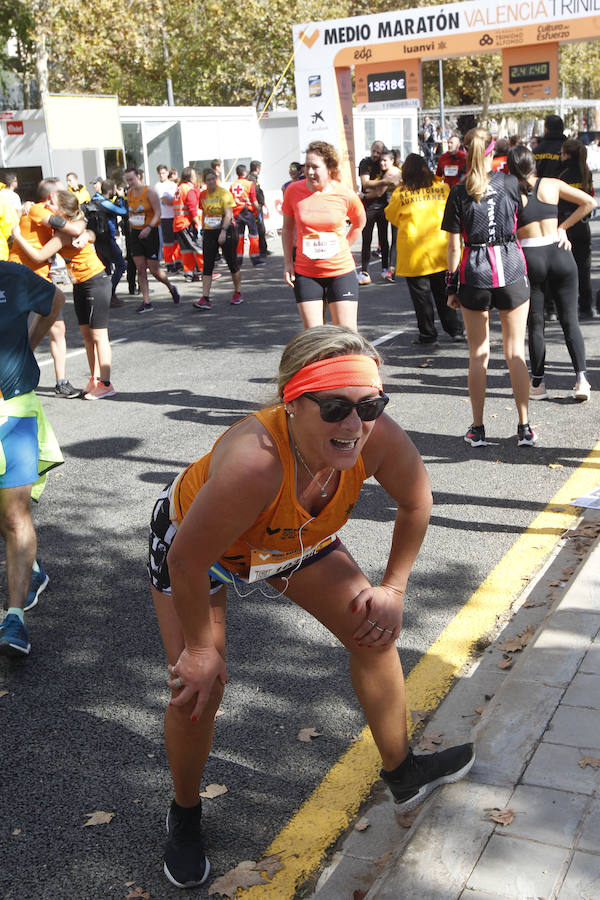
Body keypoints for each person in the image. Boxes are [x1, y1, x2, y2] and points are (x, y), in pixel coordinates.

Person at [147, 324, 475, 888]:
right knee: (199, 686)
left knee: (374, 631)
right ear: (292, 404)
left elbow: (417, 500)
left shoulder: (373, 437)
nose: (354, 425)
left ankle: (403, 772)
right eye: (334, 407)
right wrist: (201, 649)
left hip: (294, 539)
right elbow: (186, 560)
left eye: (370, 404)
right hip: (202, 551)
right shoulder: (257, 461)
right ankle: (186, 813)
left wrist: (393, 589)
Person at [442, 128, 535, 448]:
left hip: (475, 272)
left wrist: (450, 286)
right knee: (515, 352)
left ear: (465, 151)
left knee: (478, 355)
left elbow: (453, 249)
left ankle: (478, 428)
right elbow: (521, 225)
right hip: (510, 267)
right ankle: (524, 427)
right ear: (494, 150)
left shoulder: (458, 191)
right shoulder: (510, 183)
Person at [0, 259, 64, 657]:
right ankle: (32, 569)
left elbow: (55, 300)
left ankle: (14, 619)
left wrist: (30, 343)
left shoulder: (11, 276)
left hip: (14, 408)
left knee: (13, 515)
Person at [507, 144, 595, 403]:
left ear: (511, 168)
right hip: (559, 252)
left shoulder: (511, 191)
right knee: (570, 321)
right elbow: (589, 202)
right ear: (534, 164)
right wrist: (562, 227)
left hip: (530, 257)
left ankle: (538, 383)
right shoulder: (552, 184)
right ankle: (581, 379)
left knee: (536, 324)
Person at [12, 190, 117, 400]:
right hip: (79, 284)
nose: (47, 205)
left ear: (62, 211)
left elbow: (40, 255)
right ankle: (94, 379)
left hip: (96, 281)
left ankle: (105, 383)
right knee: (87, 336)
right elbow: (82, 227)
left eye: (52, 204)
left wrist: (17, 237)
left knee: (99, 335)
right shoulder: (65, 226)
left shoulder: (64, 232)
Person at [8, 177, 86, 399]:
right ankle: (15, 372)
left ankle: (61, 383)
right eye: (63, 193)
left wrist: (85, 229)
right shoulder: (38, 211)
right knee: (16, 330)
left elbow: (80, 224)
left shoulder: (43, 210)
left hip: (40, 276)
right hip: (21, 275)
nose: (68, 196)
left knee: (57, 327)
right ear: (52, 197)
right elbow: (72, 227)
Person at [282, 141, 366, 331]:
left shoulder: (345, 195)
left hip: (340, 271)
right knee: (315, 337)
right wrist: (288, 262)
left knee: (347, 335)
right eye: (306, 166)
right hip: (306, 272)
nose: (309, 172)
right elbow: (287, 229)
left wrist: (344, 244)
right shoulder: (293, 191)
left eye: (315, 167)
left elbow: (360, 223)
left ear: (329, 168)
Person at [386, 154, 464, 345]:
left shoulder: (400, 193)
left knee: (421, 298)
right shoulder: (442, 188)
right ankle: (455, 330)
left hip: (414, 253)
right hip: (441, 249)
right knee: (445, 292)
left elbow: (392, 216)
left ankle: (428, 333)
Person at [124, 166, 180, 313]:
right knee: (141, 269)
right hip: (135, 233)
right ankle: (147, 302)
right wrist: (132, 233)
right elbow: (131, 214)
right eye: (128, 180)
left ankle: (171, 287)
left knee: (154, 270)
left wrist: (148, 227)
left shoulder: (149, 191)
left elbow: (158, 212)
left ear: (139, 177)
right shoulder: (129, 193)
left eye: (132, 179)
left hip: (151, 232)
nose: (130, 182)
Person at [558, 139, 597, 319]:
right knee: (584, 268)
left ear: (566, 154)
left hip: (565, 225)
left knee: (563, 268)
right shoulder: (585, 171)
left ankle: (565, 307)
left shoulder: (561, 172)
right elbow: (590, 196)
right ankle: (586, 306)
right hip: (582, 224)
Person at [193, 170, 241, 310]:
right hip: (209, 232)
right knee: (207, 264)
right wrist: (203, 230)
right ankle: (205, 298)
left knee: (232, 262)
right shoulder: (203, 195)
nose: (211, 181)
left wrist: (223, 231)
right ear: (205, 182)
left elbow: (228, 214)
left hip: (226, 230)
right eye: (208, 179)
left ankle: (237, 292)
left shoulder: (224, 193)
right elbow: (205, 213)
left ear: (216, 179)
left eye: (213, 178)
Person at [90, 179, 128, 307]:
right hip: (106, 239)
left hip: (97, 240)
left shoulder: (94, 200)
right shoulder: (105, 203)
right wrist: (121, 199)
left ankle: (105, 297)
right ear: (112, 190)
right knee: (121, 265)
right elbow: (123, 212)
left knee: (106, 269)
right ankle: (110, 295)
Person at [357, 140, 387, 285]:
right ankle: (364, 272)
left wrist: (372, 190)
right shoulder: (364, 163)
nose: (375, 154)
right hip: (367, 207)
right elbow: (365, 183)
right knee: (366, 239)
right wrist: (382, 183)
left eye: (378, 152)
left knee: (384, 239)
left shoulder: (384, 164)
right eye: (373, 151)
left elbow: (382, 192)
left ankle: (386, 269)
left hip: (383, 207)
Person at [173, 167, 204, 282]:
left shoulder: (180, 188)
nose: (196, 178)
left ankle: (189, 274)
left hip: (179, 223)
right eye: (195, 176)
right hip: (187, 223)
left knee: (186, 250)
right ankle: (205, 271)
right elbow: (192, 208)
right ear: (191, 178)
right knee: (198, 247)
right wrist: (198, 224)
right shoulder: (189, 189)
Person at [229, 164, 263, 267]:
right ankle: (255, 259)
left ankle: (238, 260)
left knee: (239, 237)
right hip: (248, 212)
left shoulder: (232, 185)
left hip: (236, 213)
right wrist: (259, 210)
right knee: (253, 235)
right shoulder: (249, 184)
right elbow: (254, 200)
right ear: (245, 172)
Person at [155, 164, 180, 273]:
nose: (162, 175)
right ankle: (170, 264)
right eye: (160, 173)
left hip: (174, 216)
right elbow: (164, 200)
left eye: (164, 173)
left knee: (177, 241)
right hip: (164, 217)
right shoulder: (157, 186)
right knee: (168, 242)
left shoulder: (173, 185)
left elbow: (175, 199)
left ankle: (179, 262)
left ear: (167, 173)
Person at [248, 160, 270, 256]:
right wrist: (257, 205)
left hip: (258, 206)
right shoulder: (251, 178)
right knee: (259, 228)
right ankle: (261, 250)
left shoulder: (253, 178)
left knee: (261, 228)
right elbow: (254, 193)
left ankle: (263, 249)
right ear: (257, 168)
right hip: (255, 208)